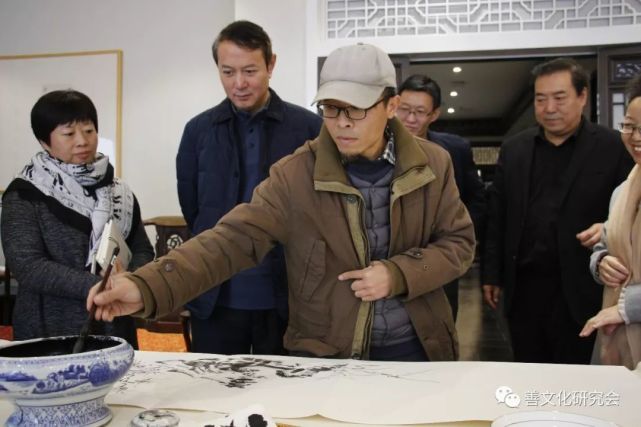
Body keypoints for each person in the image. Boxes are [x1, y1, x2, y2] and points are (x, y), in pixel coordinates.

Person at [88, 43, 476, 362]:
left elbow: (458, 244)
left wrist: (398, 274)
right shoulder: (295, 174)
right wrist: (147, 286)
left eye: (356, 109)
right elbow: (230, 240)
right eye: (330, 108)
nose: (341, 122)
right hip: (329, 353)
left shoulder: (433, 163)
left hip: (416, 344)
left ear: (390, 106)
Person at [176, 20, 322, 355]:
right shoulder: (198, 131)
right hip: (217, 293)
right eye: (228, 72)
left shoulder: (309, 129)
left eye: (250, 71)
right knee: (215, 383)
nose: (239, 83)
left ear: (271, 65)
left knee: (285, 385)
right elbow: (193, 208)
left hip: (287, 296)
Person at [482, 58, 634, 364]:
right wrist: (492, 274)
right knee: (528, 368)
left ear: (582, 96)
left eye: (559, 97)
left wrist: (606, 227)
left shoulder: (613, 147)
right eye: (541, 99)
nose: (549, 108)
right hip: (524, 287)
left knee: (577, 372)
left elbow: (629, 209)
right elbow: (498, 216)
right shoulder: (514, 149)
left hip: (582, 285)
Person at [0, 89, 154, 346]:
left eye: (89, 130)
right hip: (49, 328)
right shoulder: (25, 194)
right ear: (44, 141)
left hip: (115, 319)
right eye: (69, 134)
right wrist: (99, 285)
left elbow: (142, 249)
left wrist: (129, 280)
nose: (82, 141)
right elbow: (28, 266)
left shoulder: (119, 192)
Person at [397, 74, 486, 320]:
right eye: (404, 110)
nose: (410, 119)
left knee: (440, 324)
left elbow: (476, 199)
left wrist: (456, 237)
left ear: (434, 114)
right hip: (393, 259)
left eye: (420, 112)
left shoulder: (454, 149)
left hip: (439, 260)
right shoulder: (375, 147)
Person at [580, 73, 641, 369]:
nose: (636, 137)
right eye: (630, 126)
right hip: (616, 336)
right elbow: (605, 244)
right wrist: (601, 262)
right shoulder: (624, 190)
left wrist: (627, 307)